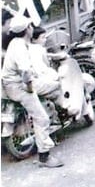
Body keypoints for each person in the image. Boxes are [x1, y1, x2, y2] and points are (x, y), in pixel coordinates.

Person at [1, 16, 63, 167]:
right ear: (27, 29)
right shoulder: (20, 47)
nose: (32, 28)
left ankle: (52, 112)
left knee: (49, 88)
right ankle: (44, 157)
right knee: (42, 118)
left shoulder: (16, 43)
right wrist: (30, 89)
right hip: (18, 86)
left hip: (10, 85)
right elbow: (26, 73)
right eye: (30, 26)